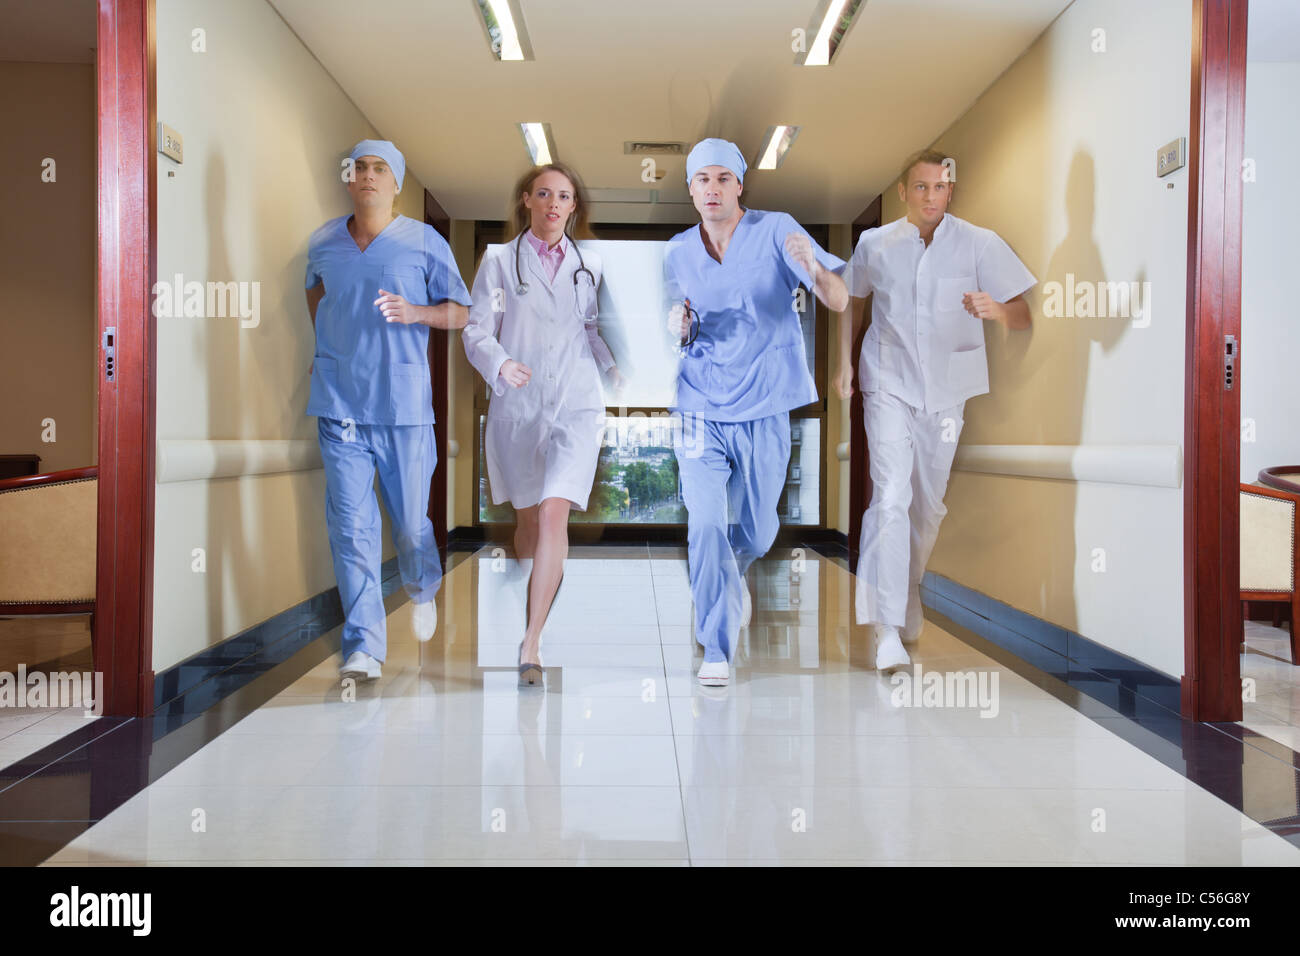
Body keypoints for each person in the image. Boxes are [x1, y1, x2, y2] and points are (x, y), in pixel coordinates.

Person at [834, 148, 1035, 673]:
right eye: (920, 187)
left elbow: (1022, 313)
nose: (929, 197)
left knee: (927, 508)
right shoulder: (874, 244)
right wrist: (845, 366)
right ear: (903, 192)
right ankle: (885, 629)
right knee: (891, 498)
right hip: (888, 383)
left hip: (948, 392)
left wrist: (996, 309)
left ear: (952, 191)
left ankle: (907, 592)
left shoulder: (978, 243)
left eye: (939, 187)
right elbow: (850, 300)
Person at [666, 138, 848, 687]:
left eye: (724, 178)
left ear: (740, 184)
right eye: (703, 179)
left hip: (763, 402)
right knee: (704, 523)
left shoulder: (776, 230)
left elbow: (839, 299)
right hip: (699, 404)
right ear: (691, 188)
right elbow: (681, 322)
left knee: (761, 528)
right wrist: (681, 327)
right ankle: (715, 647)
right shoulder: (677, 250)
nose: (713, 189)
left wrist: (813, 270)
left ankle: (734, 568)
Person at [305, 139, 471, 682]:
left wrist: (417, 311)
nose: (369, 176)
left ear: (396, 182)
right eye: (360, 168)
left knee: (409, 525)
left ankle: (422, 587)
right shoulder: (324, 242)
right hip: (340, 405)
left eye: (380, 168)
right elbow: (318, 296)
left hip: (403, 408)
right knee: (351, 528)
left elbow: (461, 313)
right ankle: (364, 649)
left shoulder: (423, 242)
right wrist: (327, 349)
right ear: (348, 179)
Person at [462, 163, 623, 686]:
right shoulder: (500, 261)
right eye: (545, 194)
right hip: (519, 406)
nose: (554, 204)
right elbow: (476, 330)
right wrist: (500, 364)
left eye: (565, 197)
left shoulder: (589, 266)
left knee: (556, 515)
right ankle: (538, 581)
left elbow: (590, 330)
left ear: (574, 207)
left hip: (577, 405)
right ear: (527, 200)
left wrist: (613, 367)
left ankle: (530, 642)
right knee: (530, 524)